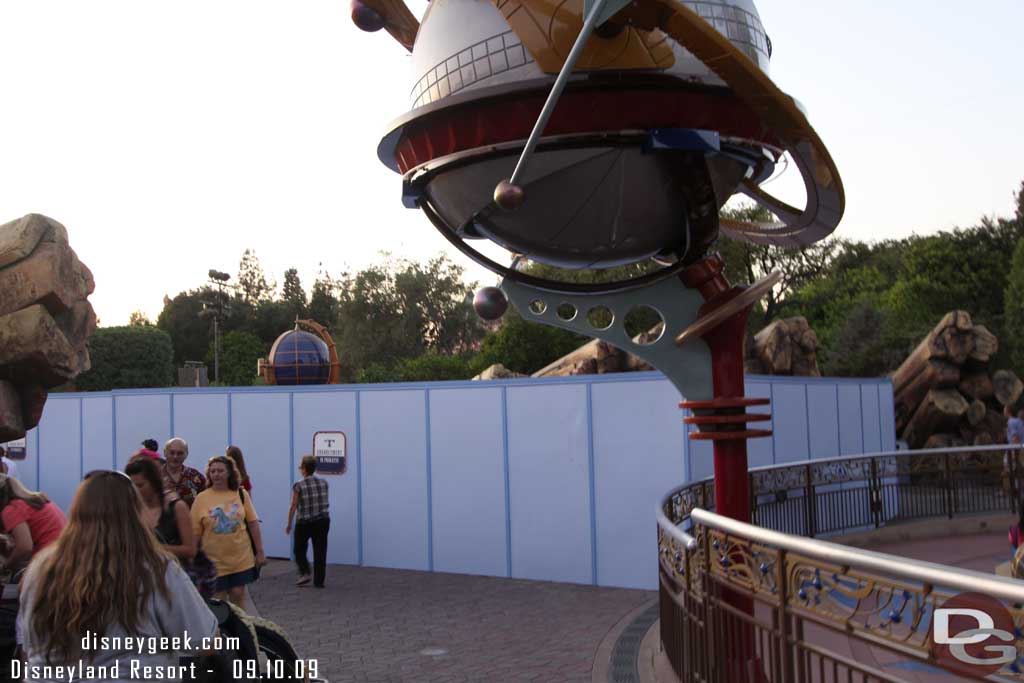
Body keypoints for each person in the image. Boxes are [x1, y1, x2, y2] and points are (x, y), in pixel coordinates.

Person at [17, 470, 218, 680]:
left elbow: (29, 645)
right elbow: (207, 642)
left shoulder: (41, 569)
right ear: (136, 513)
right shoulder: (156, 568)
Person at [191, 456, 266, 610]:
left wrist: (260, 552)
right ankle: (221, 633)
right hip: (214, 561)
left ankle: (239, 631)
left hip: (240, 558)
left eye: (220, 471)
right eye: (213, 471)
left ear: (230, 473)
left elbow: (252, 523)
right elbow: (195, 533)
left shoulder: (240, 494)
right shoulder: (201, 498)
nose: (216, 474)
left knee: (238, 594)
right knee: (218, 601)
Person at [125, 455, 195, 561]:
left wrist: (153, 548)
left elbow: (190, 550)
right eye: (132, 486)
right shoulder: (131, 510)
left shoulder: (177, 507)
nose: (136, 490)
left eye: (140, 485)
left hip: (173, 572)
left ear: (154, 482)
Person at [0, 475, 65, 571]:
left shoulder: (11, 509)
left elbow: (24, 547)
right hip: (64, 554)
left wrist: (6, 566)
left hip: (50, 561)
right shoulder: (33, 501)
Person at [286, 455, 330, 588]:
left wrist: (289, 523)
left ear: (304, 469)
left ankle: (305, 572)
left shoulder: (298, 486)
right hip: (322, 520)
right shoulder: (324, 483)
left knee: (299, 549)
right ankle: (319, 581)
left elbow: (294, 505)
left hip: (304, 522)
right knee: (320, 550)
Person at [162, 437, 207, 507]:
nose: (175, 457)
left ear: (186, 454)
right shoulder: (154, 476)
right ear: (165, 453)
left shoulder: (195, 476)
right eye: (172, 452)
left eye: (180, 453)